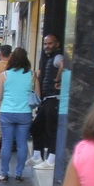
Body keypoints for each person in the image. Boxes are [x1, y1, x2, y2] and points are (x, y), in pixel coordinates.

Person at [0, 47, 34, 182]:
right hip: (25, 113)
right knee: (22, 144)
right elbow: (37, 95)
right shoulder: (32, 75)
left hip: (7, 112)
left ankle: (4, 173)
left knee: (7, 143)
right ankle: (19, 173)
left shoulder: (4, 75)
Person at [29, 34, 64, 170]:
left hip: (53, 100)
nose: (47, 46)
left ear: (57, 44)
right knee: (36, 127)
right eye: (45, 44)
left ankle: (52, 160)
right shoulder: (50, 59)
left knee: (51, 130)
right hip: (47, 100)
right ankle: (37, 156)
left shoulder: (57, 57)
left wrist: (57, 80)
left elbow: (62, 64)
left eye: (50, 43)